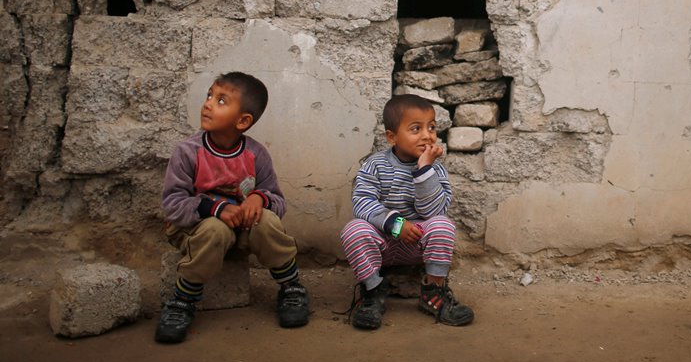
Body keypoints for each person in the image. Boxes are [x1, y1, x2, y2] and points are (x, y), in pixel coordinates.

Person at [155, 72, 309, 343]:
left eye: (221, 100)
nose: (208, 104)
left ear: (243, 121)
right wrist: (215, 209)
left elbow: (278, 201)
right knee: (215, 229)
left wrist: (259, 198)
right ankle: (182, 302)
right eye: (210, 96)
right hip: (195, 231)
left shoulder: (255, 154)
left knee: (268, 221)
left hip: (241, 232)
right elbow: (173, 205)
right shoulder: (188, 152)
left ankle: (291, 288)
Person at [340, 93, 474, 329]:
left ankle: (434, 292)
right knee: (354, 229)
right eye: (416, 129)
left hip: (417, 243)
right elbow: (362, 201)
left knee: (443, 224)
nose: (427, 135)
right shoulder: (375, 165)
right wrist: (395, 224)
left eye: (431, 128)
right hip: (383, 241)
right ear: (392, 137)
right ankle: (372, 292)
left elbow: (434, 211)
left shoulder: (436, 170)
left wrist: (424, 170)